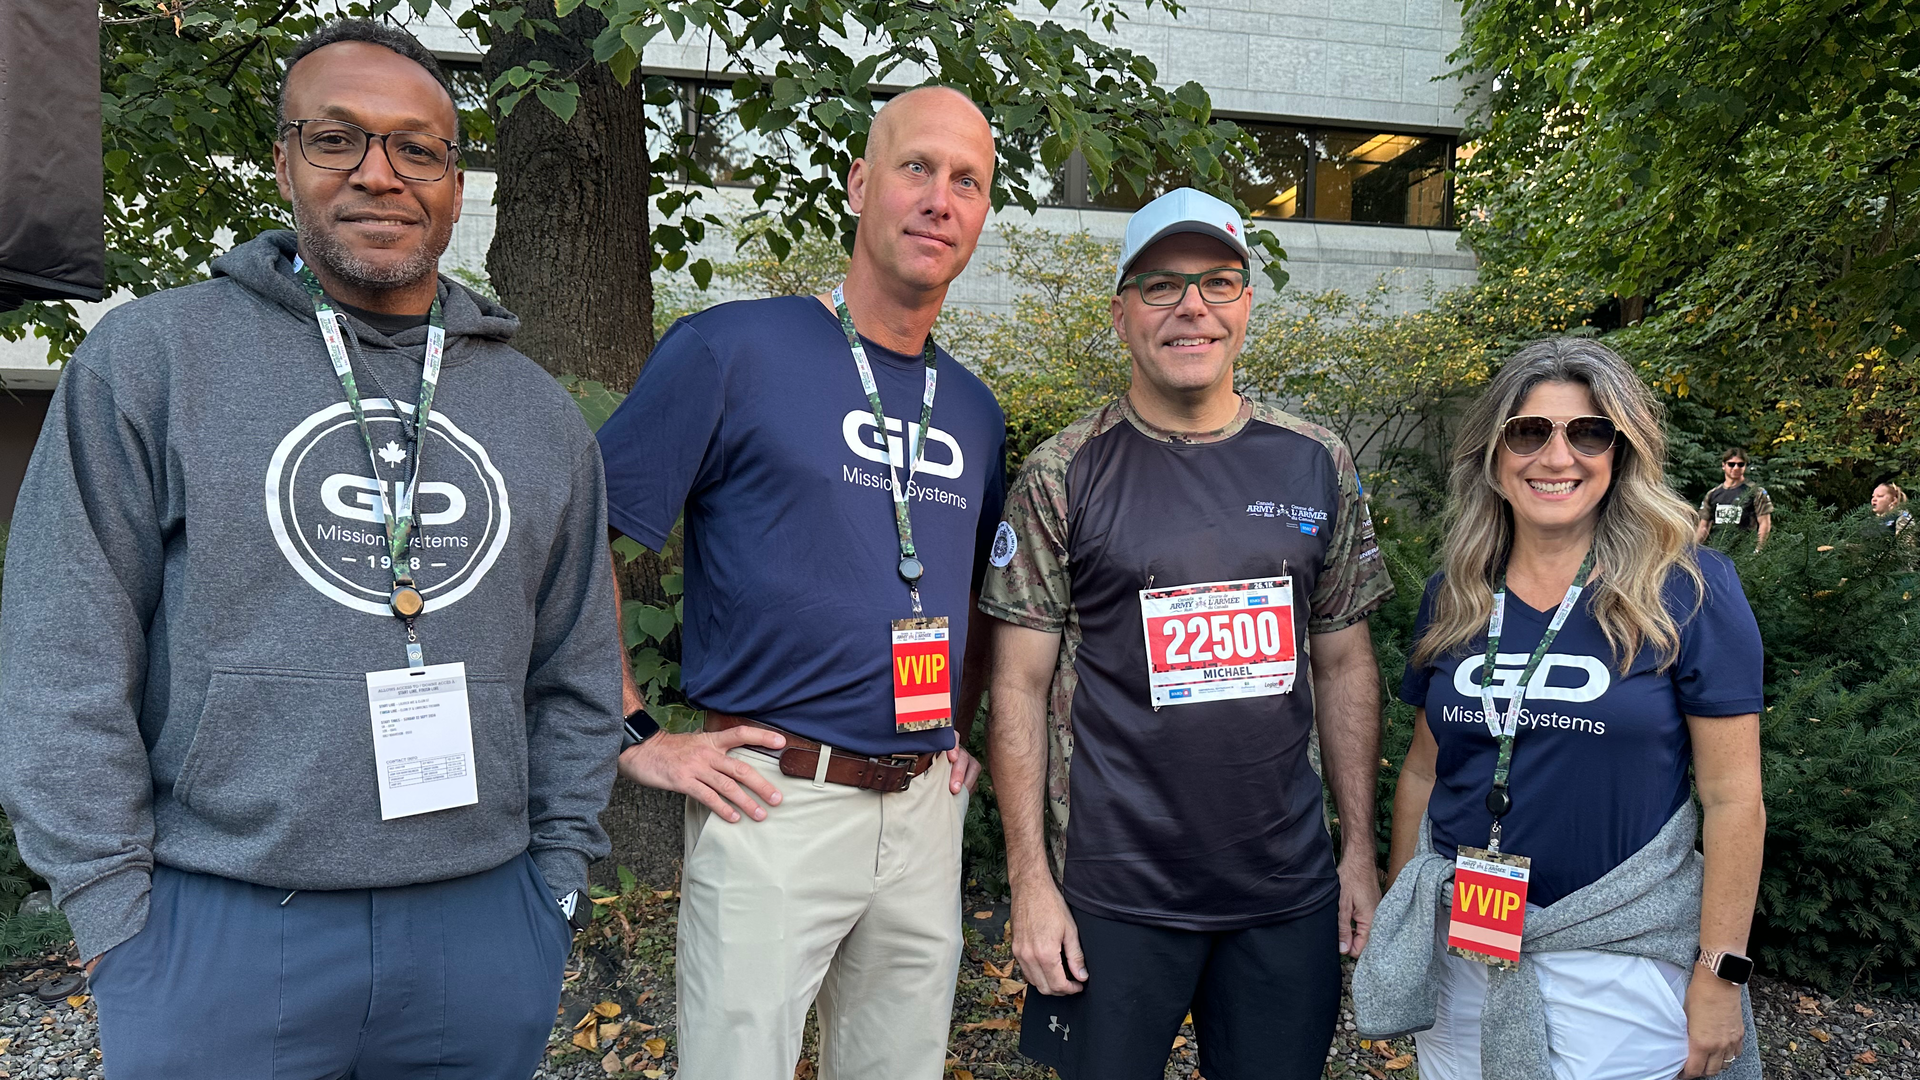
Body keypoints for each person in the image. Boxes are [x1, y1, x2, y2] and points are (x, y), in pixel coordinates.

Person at [0, 19, 622, 1079]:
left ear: (457, 182)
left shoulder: (536, 411)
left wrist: (553, 886)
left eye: (417, 147)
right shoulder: (152, 360)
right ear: (284, 160)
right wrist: (113, 913)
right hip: (218, 927)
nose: (380, 174)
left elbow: (576, 672)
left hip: (479, 930)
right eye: (339, 139)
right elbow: (63, 650)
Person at [593, 86, 1006, 1080]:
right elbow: (573, 537)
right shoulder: (733, 349)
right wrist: (630, 729)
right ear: (861, 184)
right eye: (916, 167)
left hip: (920, 811)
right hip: (773, 802)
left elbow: (982, 596)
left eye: (968, 182)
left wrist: (966, 727)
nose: (939, 198)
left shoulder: (977, 412)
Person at [980, 187, 1392, 1080]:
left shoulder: (1316, 459)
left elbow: (1347, 660)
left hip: (1283, 891)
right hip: (1113, 894)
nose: (1192, 308)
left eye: (1218, 282)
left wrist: (1358, 849)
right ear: (1122, 313)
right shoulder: (1064, 471)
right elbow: (1013, 684)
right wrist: (1029, 883)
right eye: (1162, 287)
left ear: (1246, 304)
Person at [1353, 339, 1766, 1080]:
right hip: (1463, 953)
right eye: (1528, 430)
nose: (1557, 455)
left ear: (1621, 450)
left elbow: (1734, 799)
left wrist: (1719, 975)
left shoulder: (1689, 589)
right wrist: (1401, 915)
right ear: (1493, 450)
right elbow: (1422, 769)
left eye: (1588, 431)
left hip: (1620, 961)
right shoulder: (1456, 592)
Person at [1696, 449, 1772, 550]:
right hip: (1717, 550)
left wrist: (1758, 550)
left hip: (1743, 551)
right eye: (1731, 464)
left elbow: (1764, 523)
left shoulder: (1756, 492)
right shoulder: (1712, 494)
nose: (1736, 468)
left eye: (1740, 464)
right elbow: (1703, 527)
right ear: (1724, 465)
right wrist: (1694, 549)